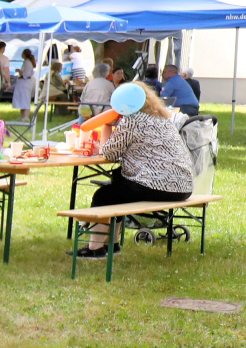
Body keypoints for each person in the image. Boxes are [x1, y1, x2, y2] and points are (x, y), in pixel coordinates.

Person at [76, 85, 196, 258]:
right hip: (182, 187)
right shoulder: (161, 119)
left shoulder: (133, 120)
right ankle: (112, 244)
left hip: (157, 186)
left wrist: (107, 125)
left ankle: (95, 248)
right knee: (117, 190)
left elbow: (109, 152)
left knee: (104, 195)